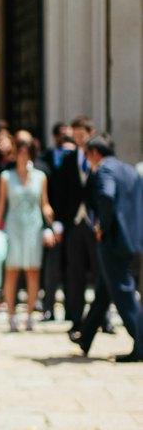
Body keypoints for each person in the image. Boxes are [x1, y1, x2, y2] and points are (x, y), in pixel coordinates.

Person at [76, 135, 143, 362]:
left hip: (114, 241)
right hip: (133, 240)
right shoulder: (130, 170)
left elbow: (106, 195)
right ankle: (85, 336)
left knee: (124, 293)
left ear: (95, 153)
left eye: (87, 155)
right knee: (105, 290)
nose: (87, 160)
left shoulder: (105, 171)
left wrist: (101, 226)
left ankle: (141, 343)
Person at [56, 116, 113, 339]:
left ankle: (104, 319)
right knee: (74, 273)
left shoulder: (103, 159)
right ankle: (75, 318)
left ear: (90, 133)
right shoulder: (69, 159)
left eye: (82, 136)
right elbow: (61, 191)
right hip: (74, 222)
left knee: (101, 272)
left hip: (95, 223)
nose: (78, 140)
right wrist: (61, 221)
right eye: (75, 136)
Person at [0, 132, 54, 332]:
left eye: (27, 152)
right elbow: (1, 205)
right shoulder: (6, 177)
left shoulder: (40, 176)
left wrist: (51, 224)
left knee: (33, 271)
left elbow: (44, 204)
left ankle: (29, 316)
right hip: (13, 227)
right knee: (11, 272)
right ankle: (11, 316)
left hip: (34, 227)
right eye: (20, 152)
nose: (23, 155)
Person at [41, 123, 74, 320]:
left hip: (71, 222)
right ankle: (48, 308)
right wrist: (50, 225)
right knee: (51, 268)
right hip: (51, 220)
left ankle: (72, 309)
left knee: (72, 268)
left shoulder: (78, 160)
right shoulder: (46, 160)